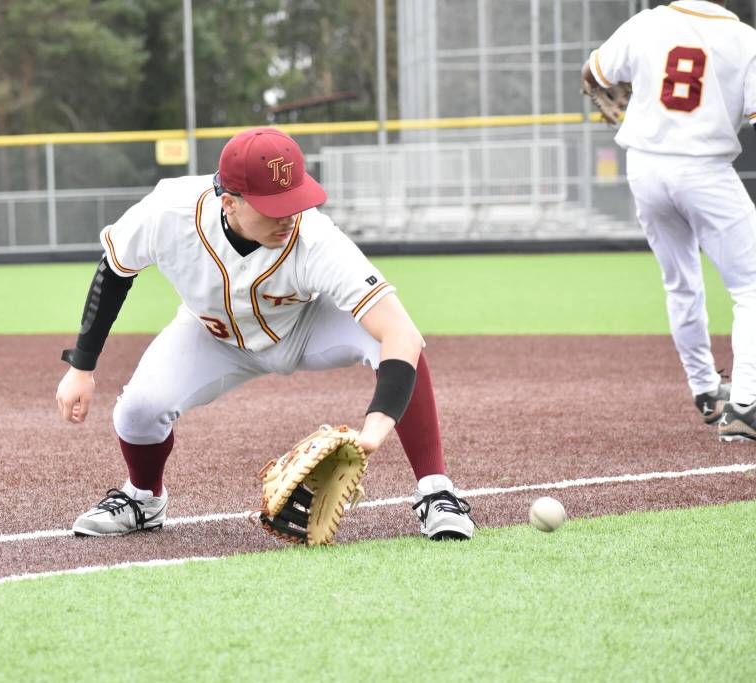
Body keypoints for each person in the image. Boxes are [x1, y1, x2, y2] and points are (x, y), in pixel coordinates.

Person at [54, 127, 476, 540]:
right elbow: (114, 268)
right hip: (212, 336)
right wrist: (82, 367)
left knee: (394, 339)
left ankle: (436, 491)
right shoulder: (168, 211)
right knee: (137, 411)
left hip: (306, 326)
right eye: (273, 207)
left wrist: (373, 433)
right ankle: (144, 499)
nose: (289, 217)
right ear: (229, 202)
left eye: (294, 200)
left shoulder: (315, 238)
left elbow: (400, 333)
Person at [582, 0, 756, 442]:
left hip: (645, 168)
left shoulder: (649, 21)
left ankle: (705, 391)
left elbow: (592, 73)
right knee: (751, 288)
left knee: (680, 281)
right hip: (705, 171)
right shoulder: (744, 39)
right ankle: (746, 406)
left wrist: (610, 101)